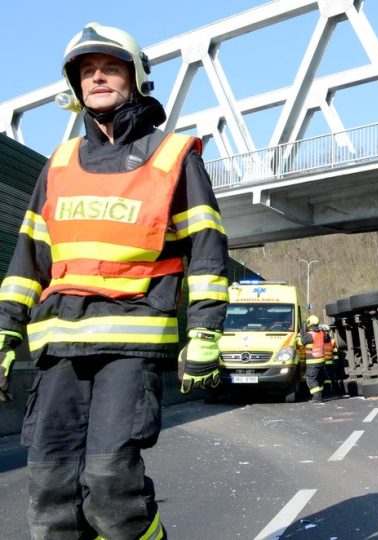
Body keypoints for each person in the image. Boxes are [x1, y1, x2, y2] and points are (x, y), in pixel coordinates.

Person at [0, 23, 229, 538]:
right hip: (59, 346)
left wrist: (206, 335)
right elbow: (28, 259)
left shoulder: (173, 157)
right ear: (75, 87)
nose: (97, 77)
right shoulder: (58, 164)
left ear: (137, 78)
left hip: (131, 344)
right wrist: (4, 330)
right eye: (87, 71)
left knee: (110, 490)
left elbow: (208, 256)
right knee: (51, 491)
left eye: (109, 68)